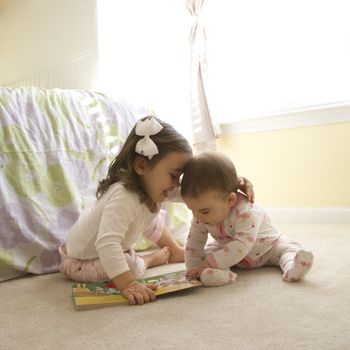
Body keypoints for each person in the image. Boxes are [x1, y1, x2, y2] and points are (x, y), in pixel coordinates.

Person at [59, 116, 254, 305]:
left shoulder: (152, 187)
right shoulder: (123, 196)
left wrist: (231, 184)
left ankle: (173, 251)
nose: (177, 184)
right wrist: (127, 284)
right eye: (173, 176)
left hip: (114, 246)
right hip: (80, 260)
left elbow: (200, 192)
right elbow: (107, 243)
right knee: (130, 267)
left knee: (150, 218)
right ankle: (149, 260)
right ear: (141, 166)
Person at [181, 151, 313, 287]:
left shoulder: (247, 212)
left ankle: (293, 268)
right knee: (210, 251)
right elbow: (193, 243)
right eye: (191, 209)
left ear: (230, 199)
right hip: (230, 255)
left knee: (289, 247)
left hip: (268, 249)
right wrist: (194, 269)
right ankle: (220, 275)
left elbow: (241, 245)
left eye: (204, 211)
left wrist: (208, 263)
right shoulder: (200, 214)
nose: (197, 216)